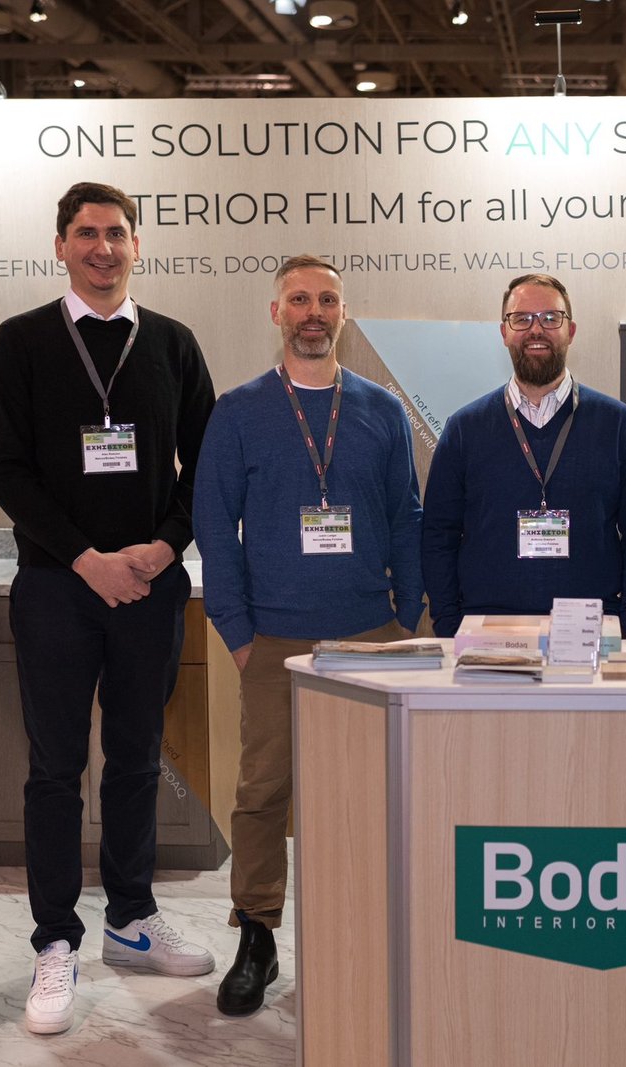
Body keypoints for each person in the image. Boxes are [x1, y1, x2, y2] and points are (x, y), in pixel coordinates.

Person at [0, 181, 217, 1036]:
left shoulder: (173, 343)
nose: (103, 248)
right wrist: (86, 560)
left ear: (136, 245)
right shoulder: (22, 340)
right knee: (54, 767)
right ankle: (55, 939)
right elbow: (7, 470)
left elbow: (208, 465)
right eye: (86, 233)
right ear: (61, 245)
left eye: (117, 233)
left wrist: (164, 545)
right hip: (57, 587)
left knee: (136, 756)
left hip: (150, 587)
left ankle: (131, 917)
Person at [193, 255, 424, 1016]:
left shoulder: (381, 410)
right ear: (277, 313)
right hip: (275, 641)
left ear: (343, 313)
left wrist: (407, 617)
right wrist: (237, 632)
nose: (313, 312)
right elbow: (213, 528)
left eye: (327, 300)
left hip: (371, 637)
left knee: (374, 791)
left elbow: (405, 518)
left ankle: (370, 931)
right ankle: (257, 936)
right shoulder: (238, 412)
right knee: (263, 792)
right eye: (299, 300)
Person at [421, 273, 626, 638]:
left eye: (551, 318)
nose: (536, 329)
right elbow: (439, 534)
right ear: (504, 332)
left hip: (589, 628)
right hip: (487, 631)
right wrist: (449, 624)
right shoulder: (464, 428)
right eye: (522, 319)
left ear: (571, 331)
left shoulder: (617, 424)